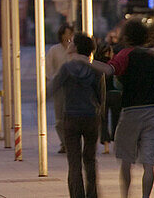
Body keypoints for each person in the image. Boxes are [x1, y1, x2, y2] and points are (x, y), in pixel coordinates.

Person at [110, 18, 154, 198]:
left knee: (126, 160)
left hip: (130, 112)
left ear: (127, 37)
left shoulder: (124, 55)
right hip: (153, 113)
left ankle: (126, 195)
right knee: (148, 163)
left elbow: (112, 72)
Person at [49, 33, 111, 198]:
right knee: (90, 159)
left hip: (71, 117)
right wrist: (100, 114)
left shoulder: (66, 69)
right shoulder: (96, 70)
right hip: (91, 118)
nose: (69, 43)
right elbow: (101, 97)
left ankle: (77, 195)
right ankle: (93, 194)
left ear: (76, 48)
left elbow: (52, 88)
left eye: (72, 42)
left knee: (74, 162)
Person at [48, 22, 76, 153]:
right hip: (59, 86)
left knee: (72, 116)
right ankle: (64, 142)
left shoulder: (75, 49)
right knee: (59, 118)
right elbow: (48, 68)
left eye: (71, 33)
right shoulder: (54, 50)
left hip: (73, 87)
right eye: (68, 33)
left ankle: (71, 143)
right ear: (62, 35)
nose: (70, 35)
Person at [95, 43, 121, 154]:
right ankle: (116, 143)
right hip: (115, 94)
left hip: (102, 95)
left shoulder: (97, 65)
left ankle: (106, 146)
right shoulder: (113, 64)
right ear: (108, 52)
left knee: (103, 120)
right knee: (116, 119)